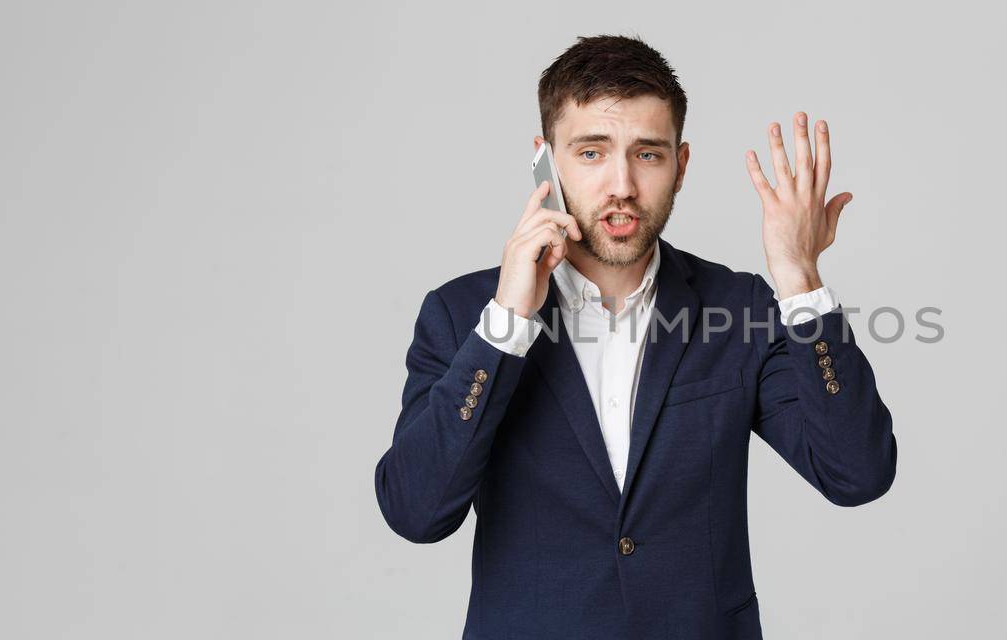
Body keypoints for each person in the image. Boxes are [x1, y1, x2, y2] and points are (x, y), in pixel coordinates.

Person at [373, 34, 897, 640]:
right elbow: (416, 512)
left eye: (648, 154)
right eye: (591, 153)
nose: (620, 184)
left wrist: (799, 279)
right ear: (544, 161)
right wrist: (507, 325)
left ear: (681, 166)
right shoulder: (461, 313)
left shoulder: (741, 307)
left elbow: (857, 473)